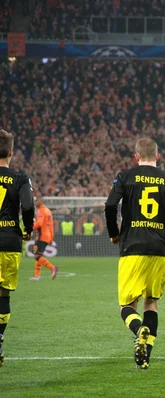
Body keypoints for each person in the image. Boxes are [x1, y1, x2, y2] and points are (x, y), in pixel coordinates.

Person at [104, 138, 165, 369]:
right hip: (159, 249)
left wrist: (115, 233)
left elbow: (110, 205)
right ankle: (144, 358)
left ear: (136, 156)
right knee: (151, 303)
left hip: (132, 247)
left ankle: (137, 329)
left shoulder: (126, 176)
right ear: (158, 156)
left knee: (127, 306)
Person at [0, 129, 35, 367]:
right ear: (11, 152)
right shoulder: (19, 179)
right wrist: (29, 228)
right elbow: (28, 204)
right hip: (9, 241)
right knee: (3, 294)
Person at [29, 196, 58, 280]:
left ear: (40, 202)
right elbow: (51, 226)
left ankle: (53, 268)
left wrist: (30, 227)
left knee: (37, 256)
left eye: (36, 201)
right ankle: (37, 275)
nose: (34, 203)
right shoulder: (48, 211)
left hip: (41, 236)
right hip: (47, 235)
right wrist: (51, 238)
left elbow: (39, 224)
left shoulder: (41, 211)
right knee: (38, 255)